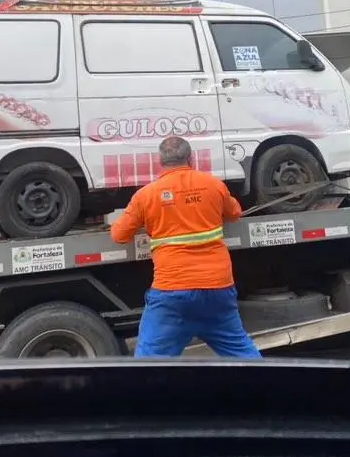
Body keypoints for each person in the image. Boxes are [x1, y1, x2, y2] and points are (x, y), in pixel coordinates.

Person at [111, 136, 261, 358]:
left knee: (150, 362)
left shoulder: (146, 195)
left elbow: (119, 235)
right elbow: (235, 213)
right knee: (241, 352)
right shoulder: (213, 185)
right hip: (217, 286)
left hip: (172, 290)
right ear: (190, 158)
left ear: (160, 162)